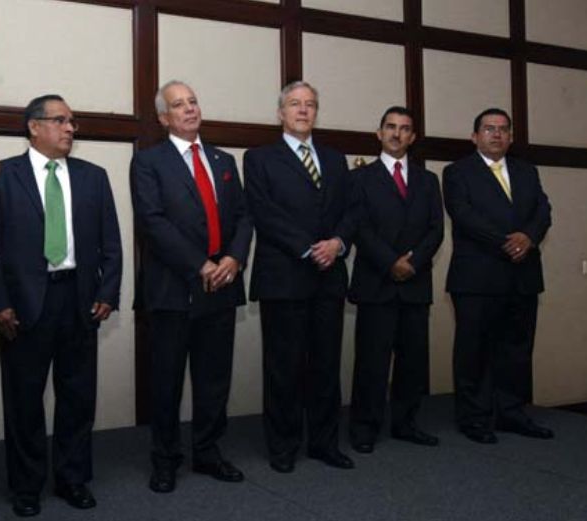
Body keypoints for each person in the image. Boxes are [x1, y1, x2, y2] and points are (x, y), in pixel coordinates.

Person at [0, 94, 122, 517]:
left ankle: (72, 479)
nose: (70, 129)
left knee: (78, 397)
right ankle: (26, 486)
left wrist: (107, 293)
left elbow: (112, 244)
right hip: (24, 304)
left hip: (79, 299)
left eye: (72, 122)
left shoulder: (93, 177)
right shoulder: (2, 176)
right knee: (24, 400)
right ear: (34, 126)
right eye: (60, 121)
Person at [130, 81, 252, 493]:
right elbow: (153, 222)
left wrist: (234, 258)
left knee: (214, 379)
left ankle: (208, 452)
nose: (189, 109)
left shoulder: (223, 160)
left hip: (222, 283)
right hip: (172, 287)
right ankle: (165, 460)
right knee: (166, 381)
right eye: (179, 105)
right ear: (164, 118)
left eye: (193, 102)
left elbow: (243, 216)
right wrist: (200, 264)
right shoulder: (148, 162)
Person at [244, 80, 355, 472]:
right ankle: (283, 446)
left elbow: (352, 209)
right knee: (284, 368)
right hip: (284, 277)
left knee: (326, 367)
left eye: (310, 104)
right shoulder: (259, 158)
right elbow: (263, 212)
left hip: (329, 277)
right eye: (295, 103)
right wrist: (309, 247)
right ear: (281, 113)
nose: (303, 110)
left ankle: (324, 443)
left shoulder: (336, 159)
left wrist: (338, 243)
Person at [444, 108, 553, 444]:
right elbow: (464, 215)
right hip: (477, 277)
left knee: (517, 350)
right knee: (474, 351)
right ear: (474, 136)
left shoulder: (527, 170)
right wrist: (509, 242)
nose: (496, 134)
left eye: (503, 129)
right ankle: (474, 418)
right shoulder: (457, 172)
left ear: (511, 137)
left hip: (522, 275)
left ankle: (511, 412)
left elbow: (543, 210)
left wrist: (529, 238)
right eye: (489, 128)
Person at [347, 106, 443, 454]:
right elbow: (359, 227)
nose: (396, 133)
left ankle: (406, 423)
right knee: (371, 362)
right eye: (390, 127)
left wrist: (413, 262)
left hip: (415, 283)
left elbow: (436, 229)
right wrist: (391, 262)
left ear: (412, 137)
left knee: (412, 362)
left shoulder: (428, 180)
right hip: (377, 282)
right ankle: (364, 427)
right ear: (379, 133)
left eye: (404, 129)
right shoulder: (359, 178)